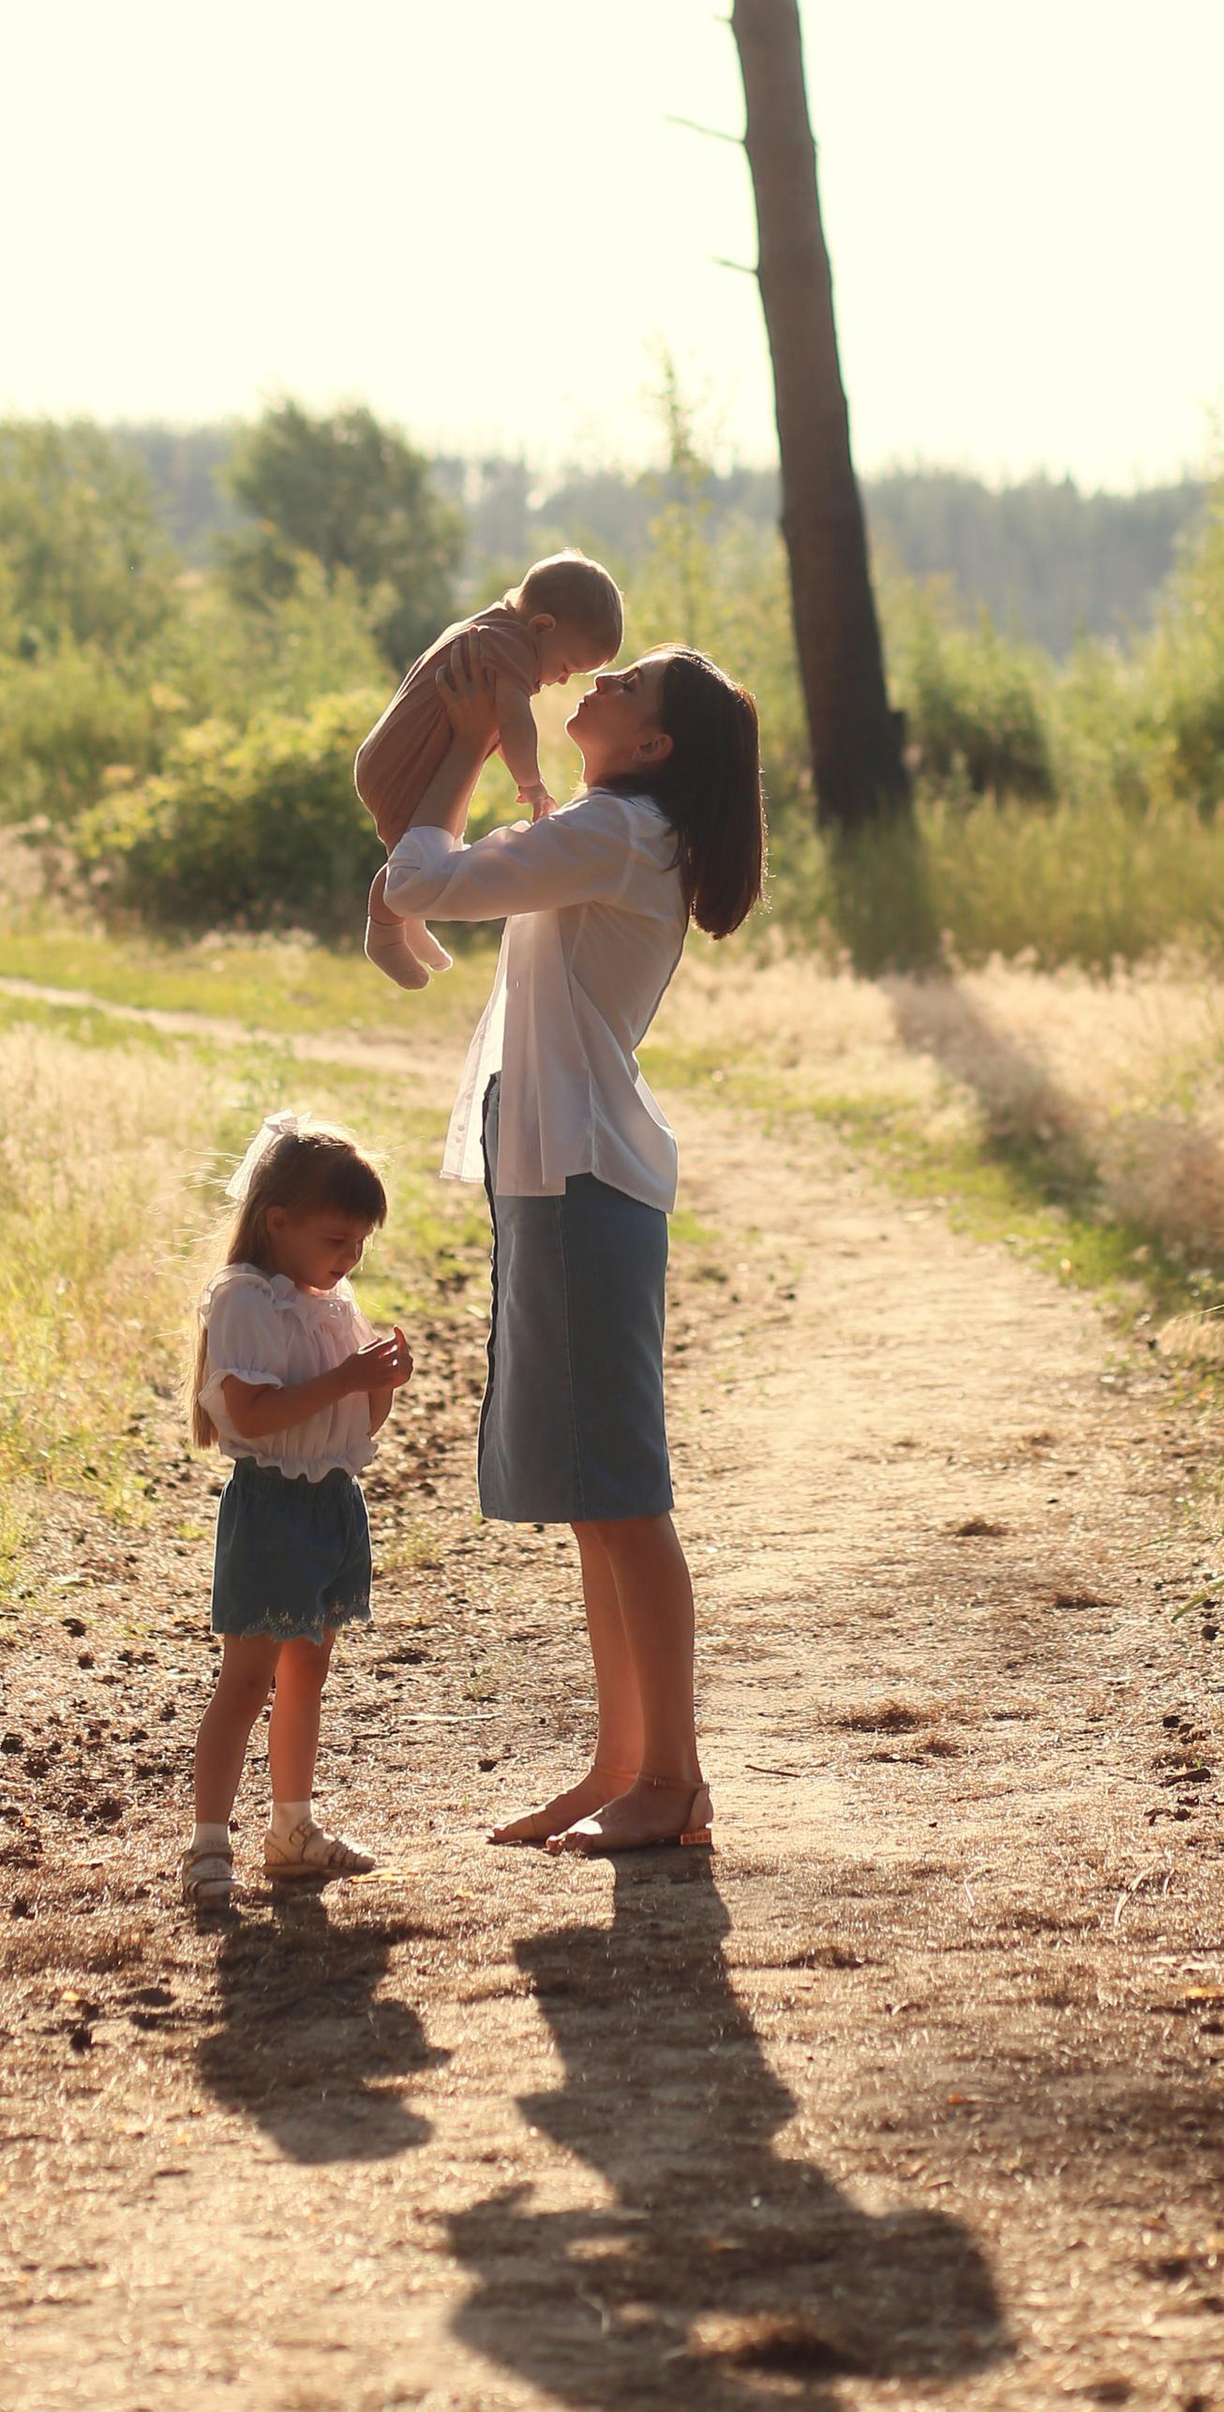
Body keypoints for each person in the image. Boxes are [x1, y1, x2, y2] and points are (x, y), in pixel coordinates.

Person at [381, 640, 764, 1856]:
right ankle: (622, 1763)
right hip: (563, 1182)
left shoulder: (620, 835)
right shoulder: (614, 830)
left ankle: (676, 1783)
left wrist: (461, 761)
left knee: (625, 1499)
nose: (597, 688)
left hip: (586, 1183)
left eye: (626, 687)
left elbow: (417, 883)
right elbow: (509, 861)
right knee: (600, 1503)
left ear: (651, 746)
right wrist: (515, 761)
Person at [184, 1114, 413, 1914]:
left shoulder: (329, 1300)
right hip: (273, 1506)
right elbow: (252, 1412)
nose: (348, 1259)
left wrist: (378, 1382)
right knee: (245, 1679)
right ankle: (210, 1843)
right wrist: (347, 1378)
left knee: (308, 1670)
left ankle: (292, 1830)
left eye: (359, 1245)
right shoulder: (245, 1300)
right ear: (277, 1222)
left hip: (330, 1505)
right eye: (335, 1239)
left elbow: (356, 1427)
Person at [353, 553, 625, 991]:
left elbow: (492, 724)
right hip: (405, 760)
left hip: (398, 754)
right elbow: (515, 722)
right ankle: (384, 934)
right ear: (542, 626)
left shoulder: (493, 630)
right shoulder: (510, 648)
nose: (558, 681)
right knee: (423, 852)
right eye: (565, 668)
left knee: (432, 842)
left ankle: (409, 920)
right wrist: (531, 784)